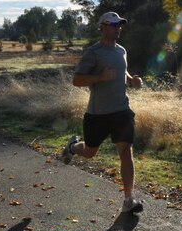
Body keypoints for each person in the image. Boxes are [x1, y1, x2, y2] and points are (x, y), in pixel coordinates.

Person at [62, 11, 144, 214]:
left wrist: (131, 80)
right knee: (90, 153)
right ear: (103, 27)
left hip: (122, 111)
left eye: (120, 25)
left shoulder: (122, 50)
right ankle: (72, 147)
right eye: (114, 25)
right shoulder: (93, 52)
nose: (118, 28)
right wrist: (100, 77)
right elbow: (77, 80)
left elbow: (121, 70)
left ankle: (128, 200)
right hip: (98, 114)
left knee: (126, 152)